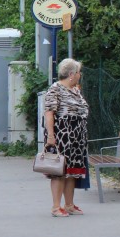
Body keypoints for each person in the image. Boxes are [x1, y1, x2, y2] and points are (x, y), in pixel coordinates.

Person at [43, 58, 90, 217]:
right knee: (59, 170)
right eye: (78, 72)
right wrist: (51, 136)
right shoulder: (55, 89)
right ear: (71, 74)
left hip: (76, 135)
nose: (80, 75)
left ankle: (69, 205)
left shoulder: (75, 89)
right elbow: (49, 112)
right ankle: (56, 207)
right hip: (62, 133)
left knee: (72, 171)